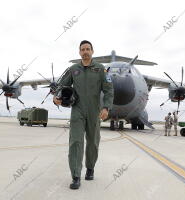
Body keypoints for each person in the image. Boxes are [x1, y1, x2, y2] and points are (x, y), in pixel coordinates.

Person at [53, 40, 114, 189]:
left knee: (93, 142)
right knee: (75, 142)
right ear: (79, 52)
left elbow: (109, 90)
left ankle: (90, 168)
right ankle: (75, 176)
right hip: (77, 110)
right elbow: (61, 86)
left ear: (92, 51)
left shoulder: (101, 70)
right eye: (82, 49)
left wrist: (106, 107)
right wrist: (57, 98)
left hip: (95, 110)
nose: (85, 51)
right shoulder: (73, 69)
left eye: (88, 49)